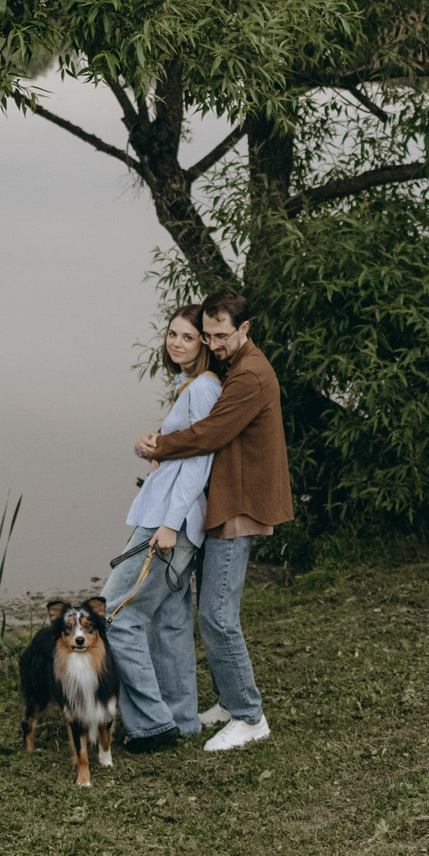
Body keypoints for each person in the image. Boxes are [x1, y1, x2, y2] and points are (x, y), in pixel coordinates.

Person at [135, 287, 291, 752]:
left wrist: (159, 446)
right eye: (207, 335)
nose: (212, 345)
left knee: (218, 615)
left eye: (220, 336)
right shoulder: (233, 365)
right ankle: (228, 701)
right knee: (214, 609)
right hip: (223, 499)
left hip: (238, 504)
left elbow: (209, 434)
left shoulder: (251, 377)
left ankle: (249, 716)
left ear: (244, 329)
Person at [99, 307, 220, 755]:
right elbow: (178, 452)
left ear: (205, 344)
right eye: (172, 334)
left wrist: (169, 525)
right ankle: (182, 719)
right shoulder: (187, 385)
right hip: (173, 517)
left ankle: (151, 724)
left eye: (188, 337)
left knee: (115, 614)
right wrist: (146, 447)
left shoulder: (204, 388)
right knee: (168, 619)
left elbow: (201, 459)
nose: (176, 343)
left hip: (167, 521)